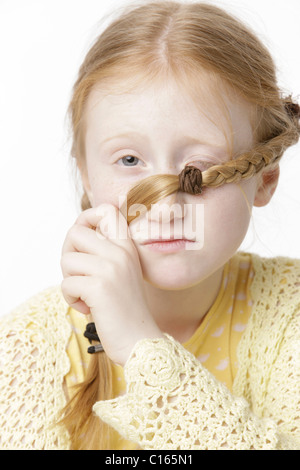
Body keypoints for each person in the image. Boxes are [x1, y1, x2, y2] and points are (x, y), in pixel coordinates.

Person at [0, 0, 299, 450]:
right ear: (86, 173)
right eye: (129, 160)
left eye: (199, 167)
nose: (165, 208)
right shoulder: (27, 349)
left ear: (266, 176)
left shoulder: (290, 314)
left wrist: (139, 345)